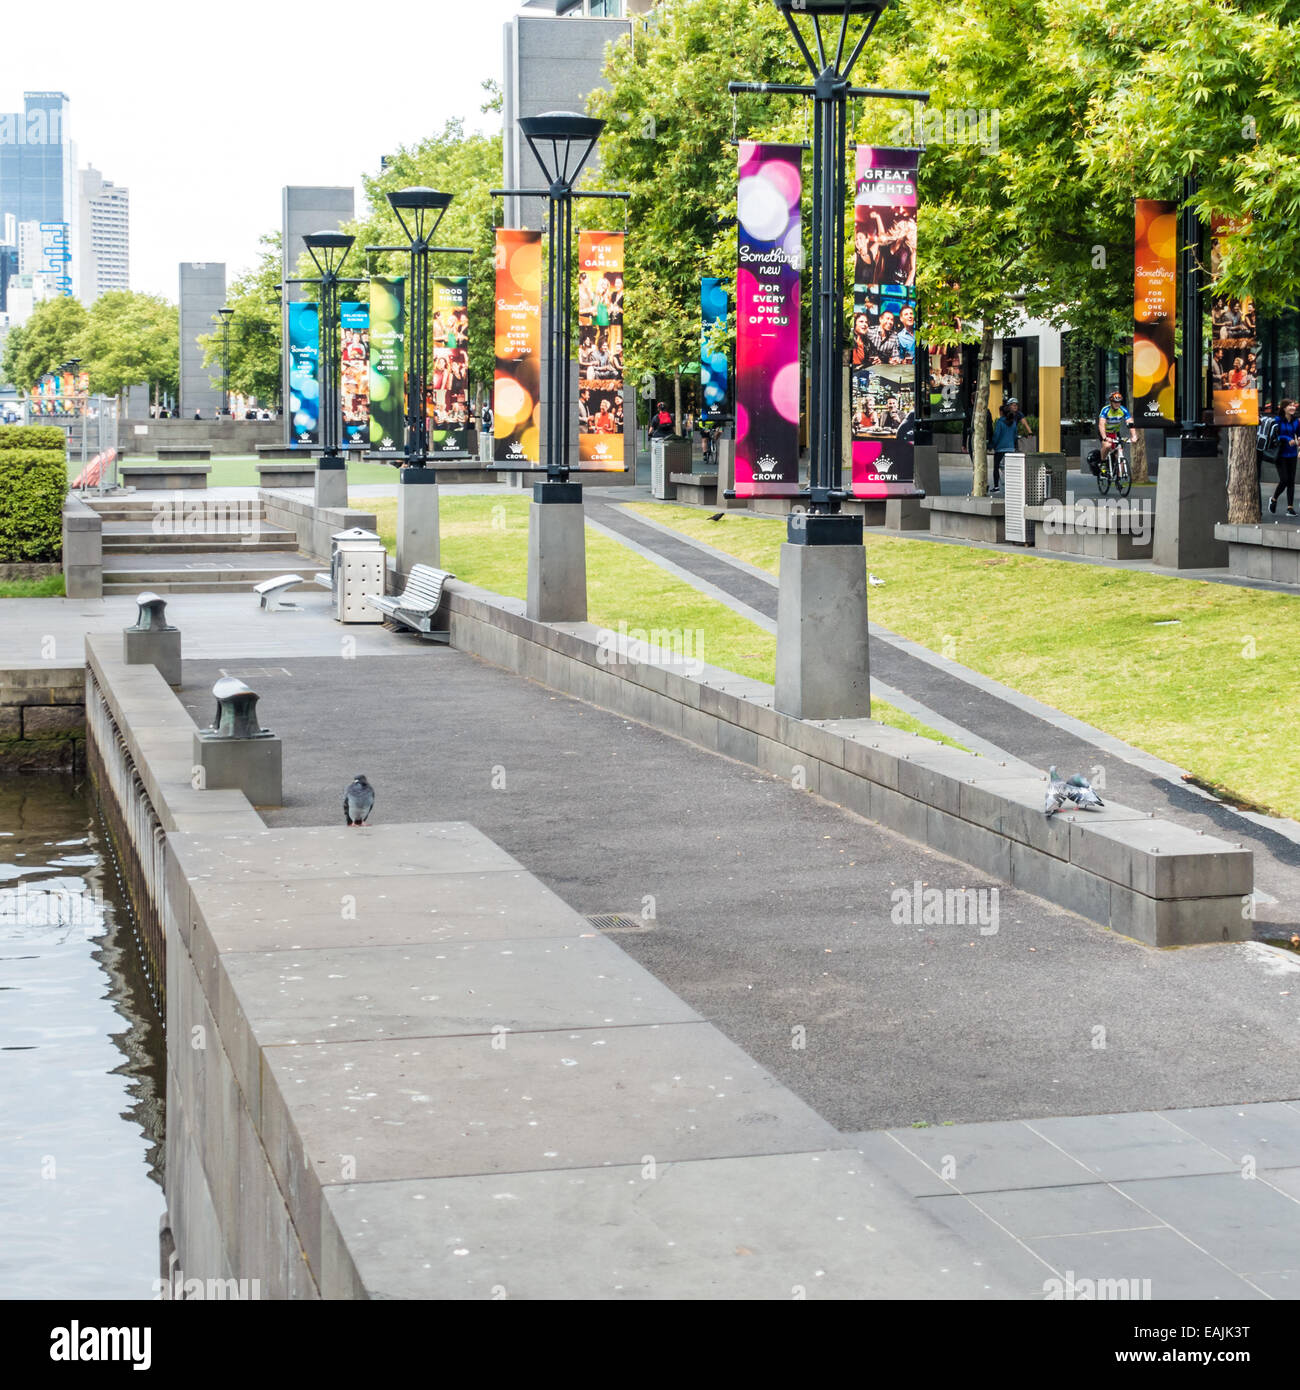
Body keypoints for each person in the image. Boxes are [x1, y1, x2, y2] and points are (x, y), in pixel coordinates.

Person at [1097, 388, 1137, 479]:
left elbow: (1130, 423)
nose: (1117, 404)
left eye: (1119, 402)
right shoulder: (1105, 410)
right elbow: (1101, 424)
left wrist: (1134, 436)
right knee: (1107, 446)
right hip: (1105, 432)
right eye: (1115, 402)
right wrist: (1104, 437)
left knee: (1120, 452)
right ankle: (1103, 463)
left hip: (1115, 432)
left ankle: (1119, 477)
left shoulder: (1123, 410)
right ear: (1111, 402)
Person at [1269, 399, 1299, 516]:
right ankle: (1274, 499)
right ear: (1284, 408)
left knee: (1291, 481)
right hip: (1280, 454)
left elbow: (1299, 433)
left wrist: (1299, 439)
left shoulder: (1296, 421)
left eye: (1293, 405)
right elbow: (1276, 435)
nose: (1293, 407)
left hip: (1292, 453)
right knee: (1284, 479)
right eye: (1290, 406)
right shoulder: (1277, 420)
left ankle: (1290, 508)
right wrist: (1287, 439)